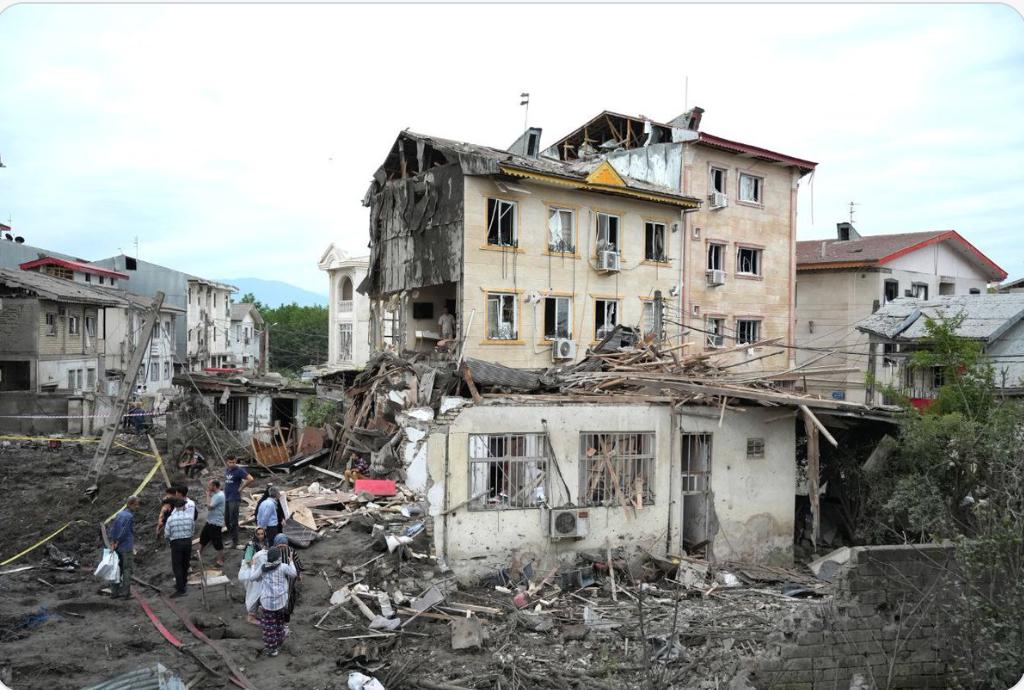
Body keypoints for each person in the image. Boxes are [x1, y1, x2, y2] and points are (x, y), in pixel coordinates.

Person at [257, 546, 296, 657]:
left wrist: (259, 576)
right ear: (278, 556)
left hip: (267, 603)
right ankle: (279, 640)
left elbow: (252, 577)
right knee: (279, 622)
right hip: (281, 601)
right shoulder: (283, 567)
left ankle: (272, 649)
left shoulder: (263, 567)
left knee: (269, 626)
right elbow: (293, 574)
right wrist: (291, 561)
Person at [107, 495, 139, 599]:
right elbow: (124, 531)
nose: (137, 507)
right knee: (127, 570)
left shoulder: (119, 515)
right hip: (126, 547)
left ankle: (114, 592)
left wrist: (112, 543)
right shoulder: (129, 517)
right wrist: (118, 541)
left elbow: (113, 529)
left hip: (117, 548)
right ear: (130, 505)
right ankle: (126, 594)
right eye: (135, 505)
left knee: (116, 569)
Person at [163, 497, 195, 598]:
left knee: (177, 565)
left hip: (176, 543)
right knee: (185, 563)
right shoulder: (189, 517)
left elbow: (166, 534)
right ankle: (183, 583)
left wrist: (171, 539)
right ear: (183, 506)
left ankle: (180, 588)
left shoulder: (171, 519)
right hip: (187, 542)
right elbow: (192, 530)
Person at [238, 527, 270, 625]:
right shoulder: (251, 545)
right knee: (254, 593)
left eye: (262, 534)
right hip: (251, 572)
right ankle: (251, 615)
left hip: (259, 571)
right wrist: (256, 571)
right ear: (255, 535)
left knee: (259, 592)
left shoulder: (265, 543)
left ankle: (255, 610)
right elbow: (248, 561)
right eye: (258, 534)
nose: (260, 536)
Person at [224, 456, 254, 548]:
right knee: (227, 520)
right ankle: (232, 538)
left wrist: (241, 488)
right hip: (227, 498)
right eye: (230, 462)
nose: (232, 464)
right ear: (227, 462)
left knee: (233, 521)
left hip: (234, 498)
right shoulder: (227, 470)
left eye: (233, 462)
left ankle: (236, 542)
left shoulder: (239, 470)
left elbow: (250, 478)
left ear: (235, 461)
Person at [273, 533, 303, 616]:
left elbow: (297, 562)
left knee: (289, 592)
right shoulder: (273, 551)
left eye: (284, 545)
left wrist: (298, 574)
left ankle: (288, 611)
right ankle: (278, 610)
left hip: (290, 575)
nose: (282, 547)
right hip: (277, 576)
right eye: (280, 545)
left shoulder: (291, 551)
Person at [198, 479, 226, 567]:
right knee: (203, 538)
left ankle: (220, 561)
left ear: (214, 486)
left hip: (215, 523)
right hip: (210, 521)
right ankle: (198, 555)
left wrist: (207, 495)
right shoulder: (217, 494)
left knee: (217, 542)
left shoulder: (219, 496)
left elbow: (209, 507)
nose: (208, 487)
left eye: (210, 485)